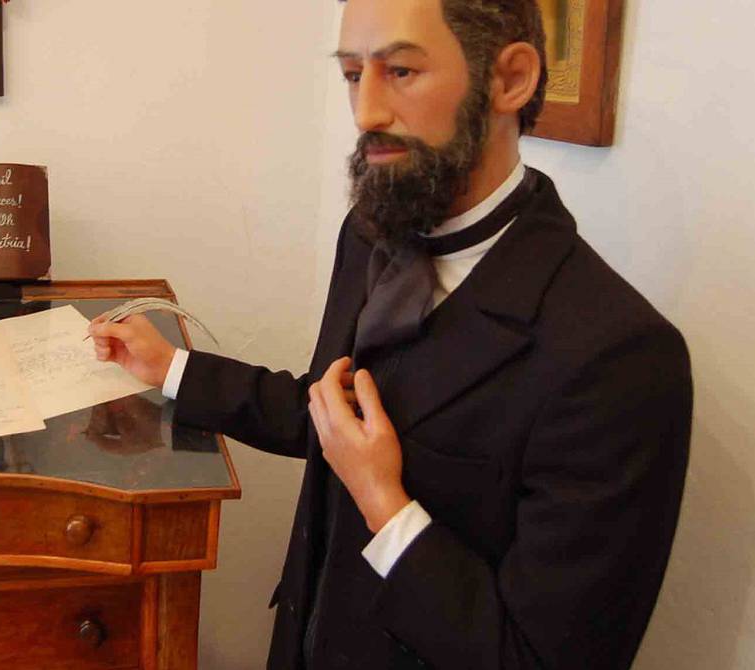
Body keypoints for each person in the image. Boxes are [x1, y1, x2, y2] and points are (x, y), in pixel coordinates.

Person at [88, 0, 692, 667]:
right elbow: (331, 415)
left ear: (510, 79)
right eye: (353, 75)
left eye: (400, 71)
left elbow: (538, 658)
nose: (366, 112)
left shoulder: (619, 357)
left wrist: (384, 501)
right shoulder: (370, 235)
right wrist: (172, 368)